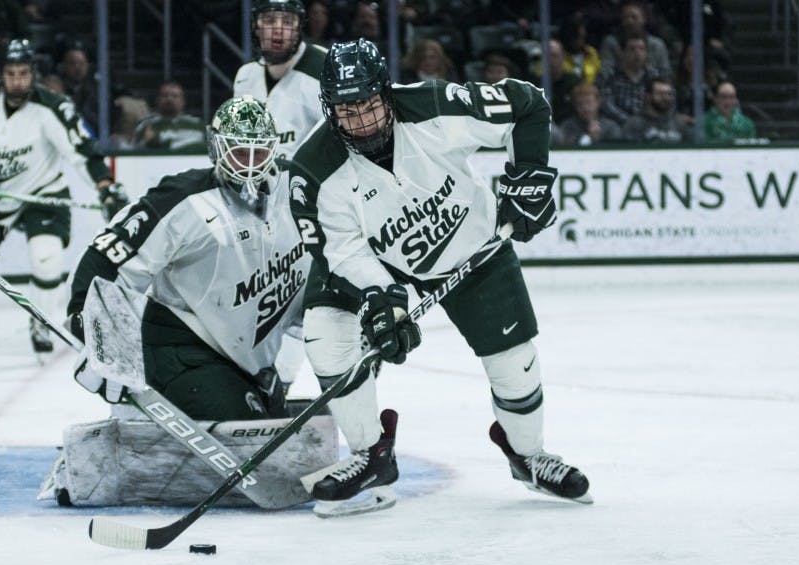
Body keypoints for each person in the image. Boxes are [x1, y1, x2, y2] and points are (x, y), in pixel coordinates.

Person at [288, 39, 592, 509]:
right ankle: (372, 454)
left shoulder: (433, 105)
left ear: (385, 94)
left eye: (368, 105)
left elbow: (527, 105)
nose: (362, 122)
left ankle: (528, 455)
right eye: (347, 112)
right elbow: (340, 251)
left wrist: (529, 179)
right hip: (377, 259)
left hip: (472, 245)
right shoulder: (313, 170)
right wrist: (381, 297)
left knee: (515, 364)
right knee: (325, 332)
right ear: (329, 110)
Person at [68, 95, 310, 423]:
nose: (251, 164)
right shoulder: (183, 198)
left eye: (260, 151)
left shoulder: (295, 193)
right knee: (244, 429)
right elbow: (106, 257)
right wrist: (91, 331)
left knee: (272, 435)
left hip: (249, 365)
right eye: (239, 151)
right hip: (180, 350)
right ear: (216, 147)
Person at [0, 39, 129, 357]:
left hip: (43, 193)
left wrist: (104, 186)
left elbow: (83, 151)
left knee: (46, 257)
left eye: (24, 73)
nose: (18, 81)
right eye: (11, 73)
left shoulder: (53, 107)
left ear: (33, 73)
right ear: (1, 74)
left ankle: (41, 324)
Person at [233, 0, 327, 160]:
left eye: (287, 21)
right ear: (256, 27)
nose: (278, 29)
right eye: (269, 20)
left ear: (298, 29)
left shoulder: (325, 67)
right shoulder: (245, 76)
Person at [597, 35, 662, 126]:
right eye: (632, 49)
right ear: (622, 53)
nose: (637, 53)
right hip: (618, 125)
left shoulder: (654, 76)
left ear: (646, 53)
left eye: (641, 49)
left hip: (649, 125)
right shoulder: (610, 75)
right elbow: (606, 105)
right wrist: (631, 122)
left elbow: (666, 101)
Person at [598, 0, 671, 79]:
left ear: (644, 19)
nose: (629, 21)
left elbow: (666, 74)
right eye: (625, 17)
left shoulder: (657, 44)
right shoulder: (611, 42)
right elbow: (605, 72)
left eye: (634, 17)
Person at [133, 80, 206, 151]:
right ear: (157, 100)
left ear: (183, 101)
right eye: (165, 95)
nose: (169, 99)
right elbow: (134, 153)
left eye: (175, 96)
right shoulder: (146, 125)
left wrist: (159, 140)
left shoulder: (198, 125)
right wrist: (145, 142)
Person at [622, 77, 691, 144]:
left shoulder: (679, 123)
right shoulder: (634, 124)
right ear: (648, 96)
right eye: (660, 93)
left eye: (669, 94)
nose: (666, 98)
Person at [557, 82, 622, 146]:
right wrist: (589, 137)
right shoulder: (567, 127)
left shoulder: (611, 127)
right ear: (575, 106)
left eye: (588, 102)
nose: (585, 107)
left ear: (598, 102)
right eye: (580, 104)